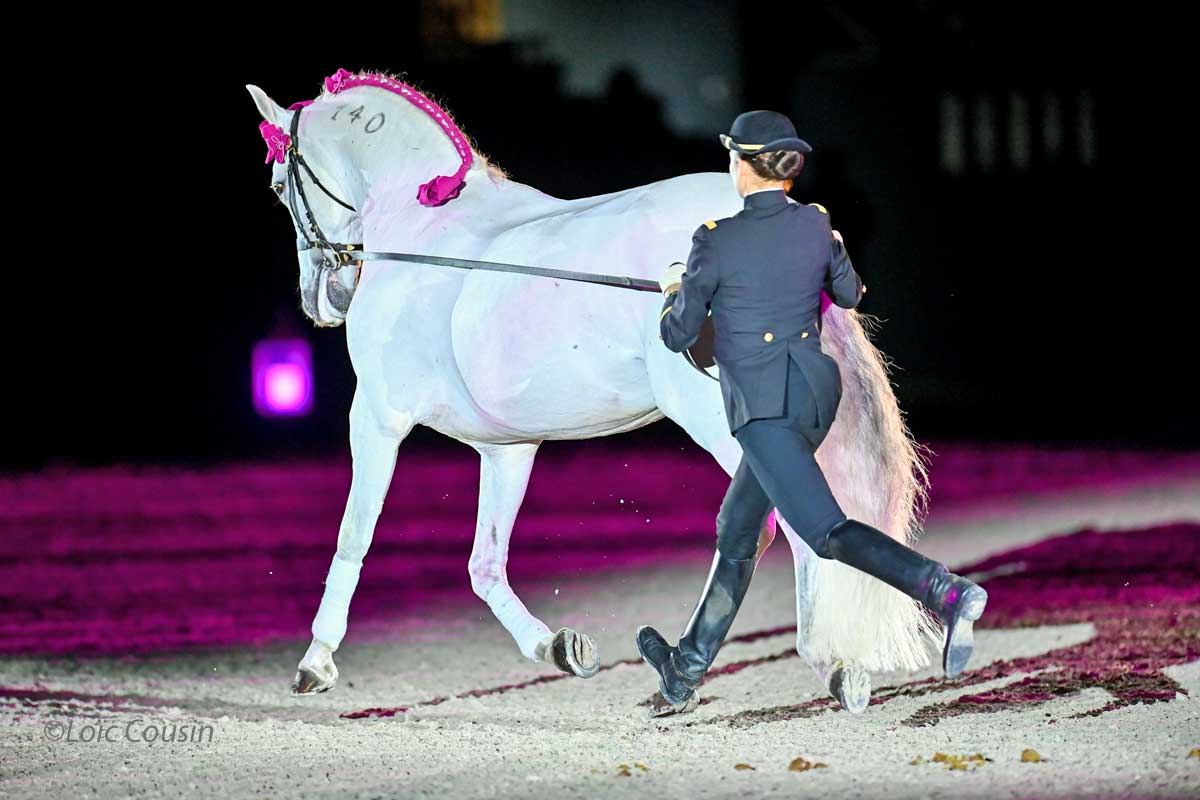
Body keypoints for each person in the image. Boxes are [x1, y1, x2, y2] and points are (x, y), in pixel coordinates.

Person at [637, 110, 988, 717]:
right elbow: (849, 295)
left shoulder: (714, 239)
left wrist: (675, 289)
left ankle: (946, 592)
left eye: (732, 157)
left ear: (745, 165)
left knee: (826, 534)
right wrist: (824, 256)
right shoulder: (817, 224)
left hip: (764, 411)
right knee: (737, 529)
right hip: (814, 398)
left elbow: (678, 336)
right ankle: (685, 667)